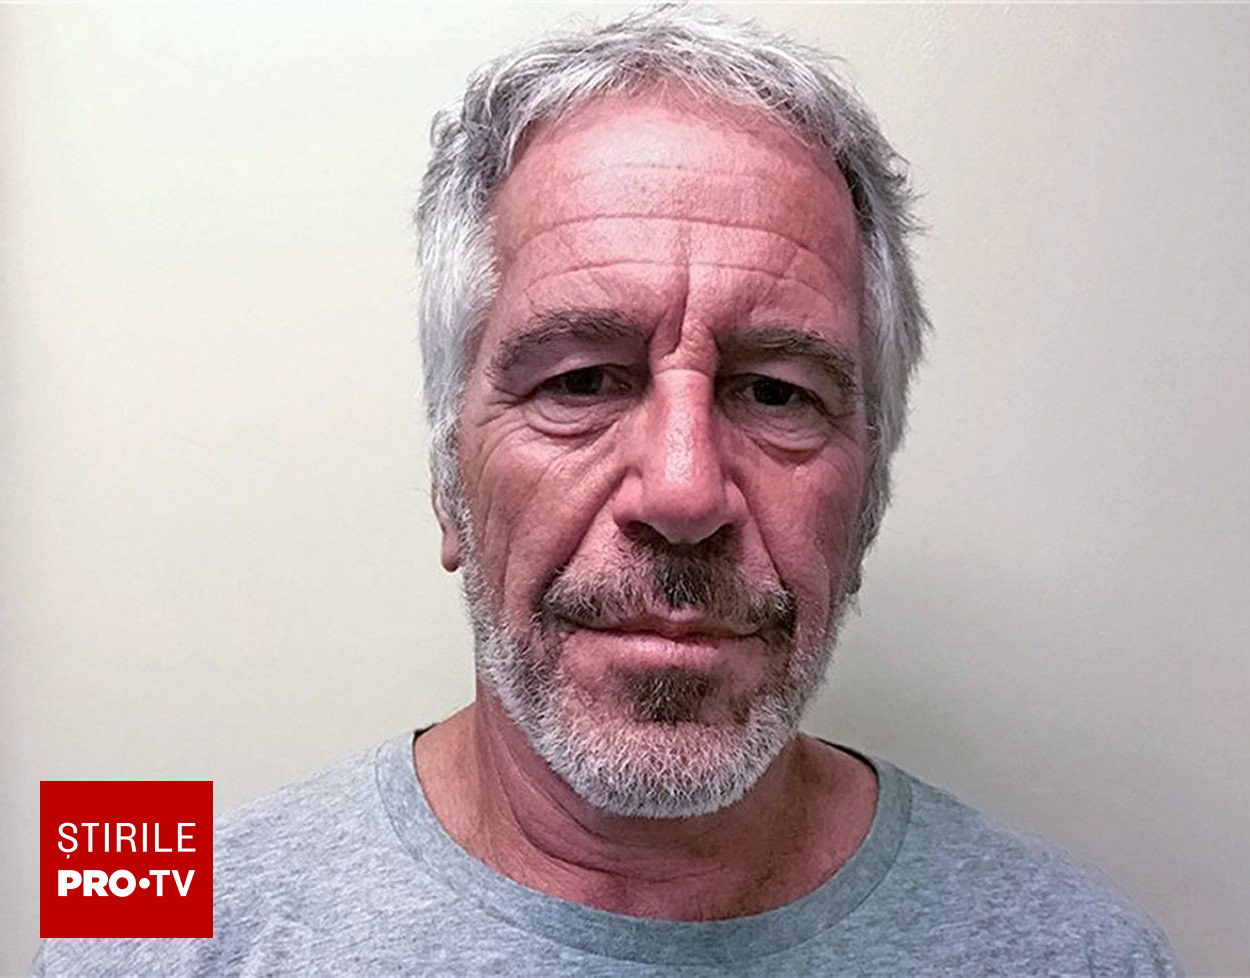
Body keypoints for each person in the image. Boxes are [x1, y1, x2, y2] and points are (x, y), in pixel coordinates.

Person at [35, 7, 1181, 975]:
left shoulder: (1081, 954)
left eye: (775, 393)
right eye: (580, 381)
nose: (682, 491)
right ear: (447, 477)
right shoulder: (149, 931)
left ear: (867, 495)